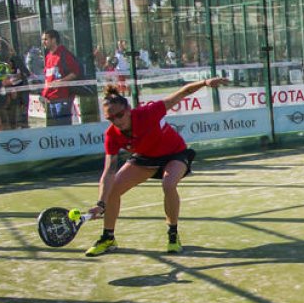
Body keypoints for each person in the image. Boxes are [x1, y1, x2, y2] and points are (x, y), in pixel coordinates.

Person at [85, 76, 229, 257]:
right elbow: (109, 172)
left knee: (168, 184)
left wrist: (205, 83)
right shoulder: (112, 135)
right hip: (145, 158)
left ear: (128, 110)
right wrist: (101, 204)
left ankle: (173, 235)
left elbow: (182, 93)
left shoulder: (149, 113)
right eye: (110, 118)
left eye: (119, 115)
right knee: (113, 190)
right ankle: (108, 238)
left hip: (175, 154)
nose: (117, 121)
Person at [41, 29, 82, 125]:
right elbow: (48, 78)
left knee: (64, 126)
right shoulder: (48, 57)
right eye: (43, 39)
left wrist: (62, 81)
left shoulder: (64, 54)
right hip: (50, 99)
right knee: (55, 129)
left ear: (54, 40)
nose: (43, 42)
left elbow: (76, 72)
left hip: (63, 98)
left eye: (46, 39)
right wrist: (44, 94)